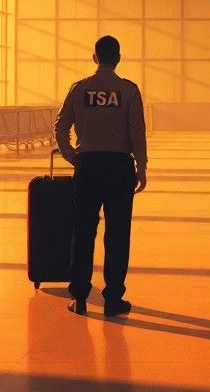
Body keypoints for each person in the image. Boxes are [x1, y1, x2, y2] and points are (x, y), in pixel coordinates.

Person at [54, 35, 148, 318]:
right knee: (118, 234)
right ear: (118, 58)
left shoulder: (79, 89)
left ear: (94, 58)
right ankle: (113, 299)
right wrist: (140, 167)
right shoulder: (128, 91)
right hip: (119, 167)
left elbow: (60, 128)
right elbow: (137, 133)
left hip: (88, 167)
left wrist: (73, 157)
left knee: (83, 231)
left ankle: (80, 296)